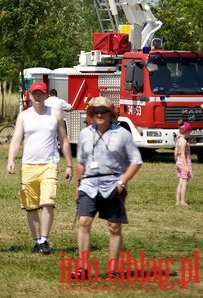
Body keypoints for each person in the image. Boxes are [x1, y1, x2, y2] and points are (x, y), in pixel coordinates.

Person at [75, 96, 142, 278]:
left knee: (114, 227)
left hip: (112, 184)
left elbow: (136, 161)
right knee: (84, 222)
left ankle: (113, 269)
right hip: (88, 184)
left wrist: (122, 182)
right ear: (91, 114)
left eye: (103, 111)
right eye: (96, 112)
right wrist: (77, 187)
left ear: (110, 114)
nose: (99, 115)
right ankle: (83, 268)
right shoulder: (85, 134)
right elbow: (80, 162)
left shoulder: (122, 134)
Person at [7, 81, 73, 255]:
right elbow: (16, 139)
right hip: (28, 165)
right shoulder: (24, 116)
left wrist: (69, 164)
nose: (37, 97)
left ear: (46, 96)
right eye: (34, 94)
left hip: (49, 164)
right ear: (30, 95)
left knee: (48, 203)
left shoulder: (56, 114)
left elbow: (64, 140)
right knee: (30, 206)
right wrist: (11, 159)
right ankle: (36, 240)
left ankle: (44, 240)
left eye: (41, 94)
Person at [175, 121, 193, 205]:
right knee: (185, 182)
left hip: (178, 162)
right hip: (184, 162)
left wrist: (176, 161)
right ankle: (183, 201)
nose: (190, 134)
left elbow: (175, 153)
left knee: (180, 182)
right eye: (190, 132)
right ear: (186, 131)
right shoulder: (184, 141)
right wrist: (186, 166)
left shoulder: (178, 140)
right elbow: (182, 153)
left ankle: (177, 201)